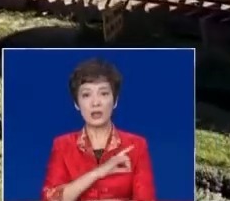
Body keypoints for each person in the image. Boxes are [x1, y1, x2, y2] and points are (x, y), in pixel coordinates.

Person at [41, 58, 155, 201]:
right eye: (86, 95)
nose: (95, 103)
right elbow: (50, 198)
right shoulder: (62, 145)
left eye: (104, 93)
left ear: (115, 101)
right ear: (76, 104)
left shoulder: (136, 146)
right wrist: (99, 172)